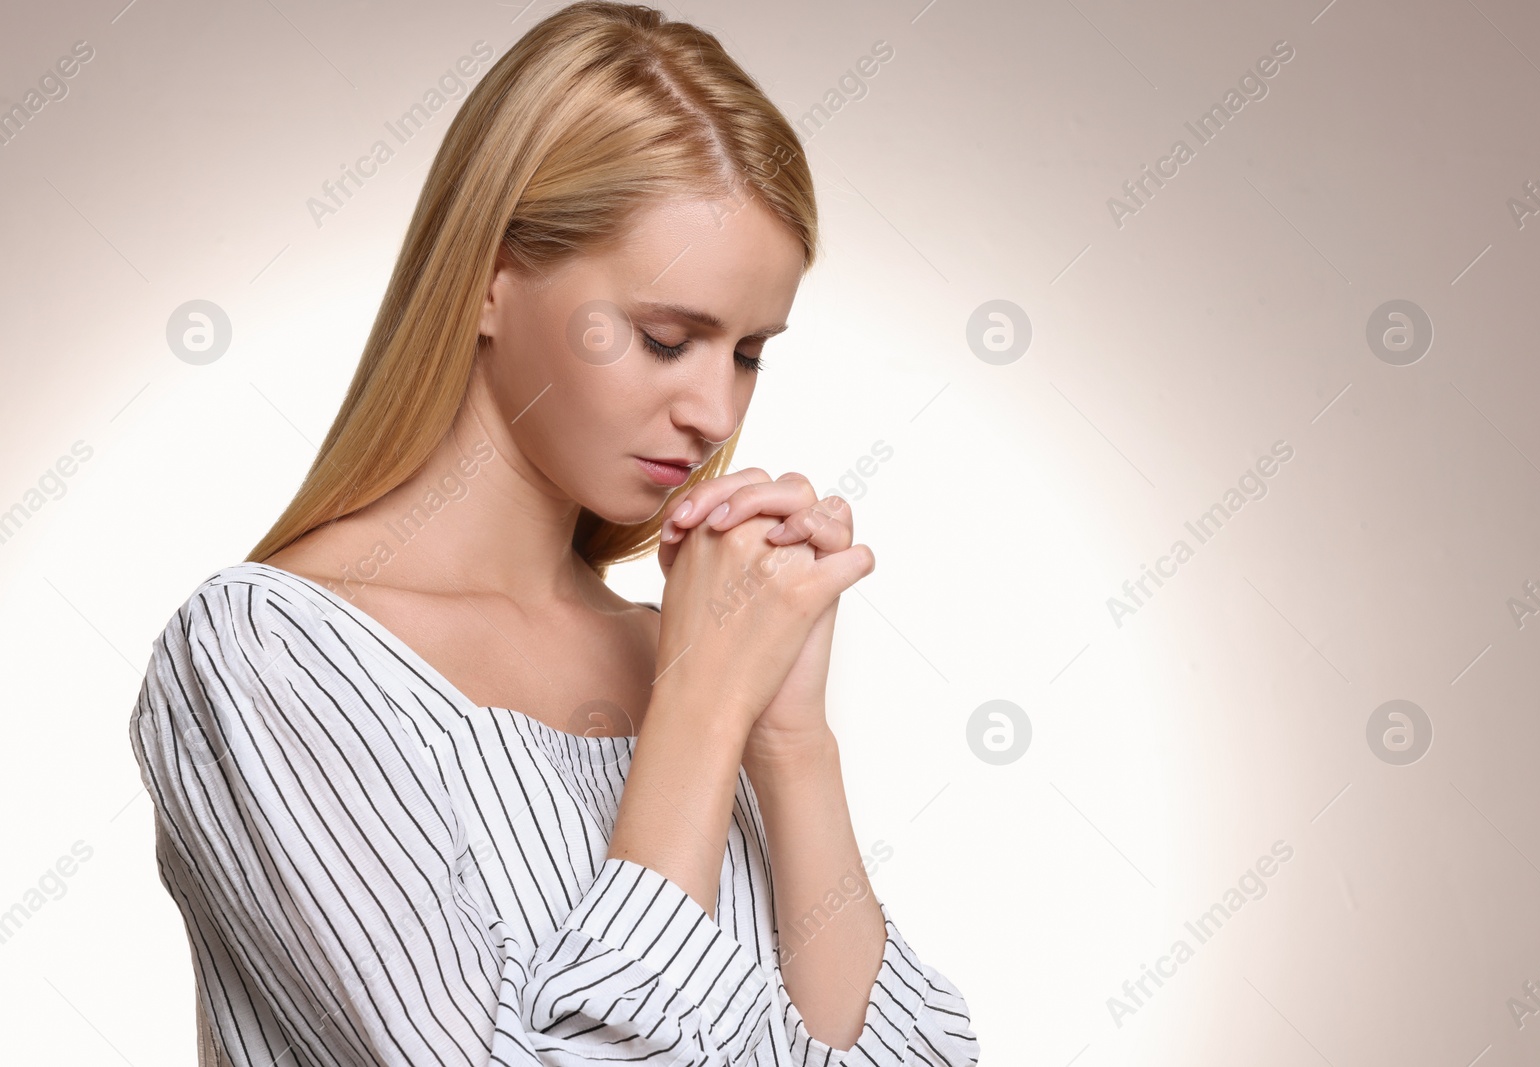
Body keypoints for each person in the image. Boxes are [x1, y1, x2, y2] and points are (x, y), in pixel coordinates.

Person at [128, 3, 979, 1064]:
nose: (714, 411)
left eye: (750, 352)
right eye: (667, 337)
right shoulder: (267, 654)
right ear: (489, 277)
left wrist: (791, 744)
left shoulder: (684, 648)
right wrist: (699, 711)